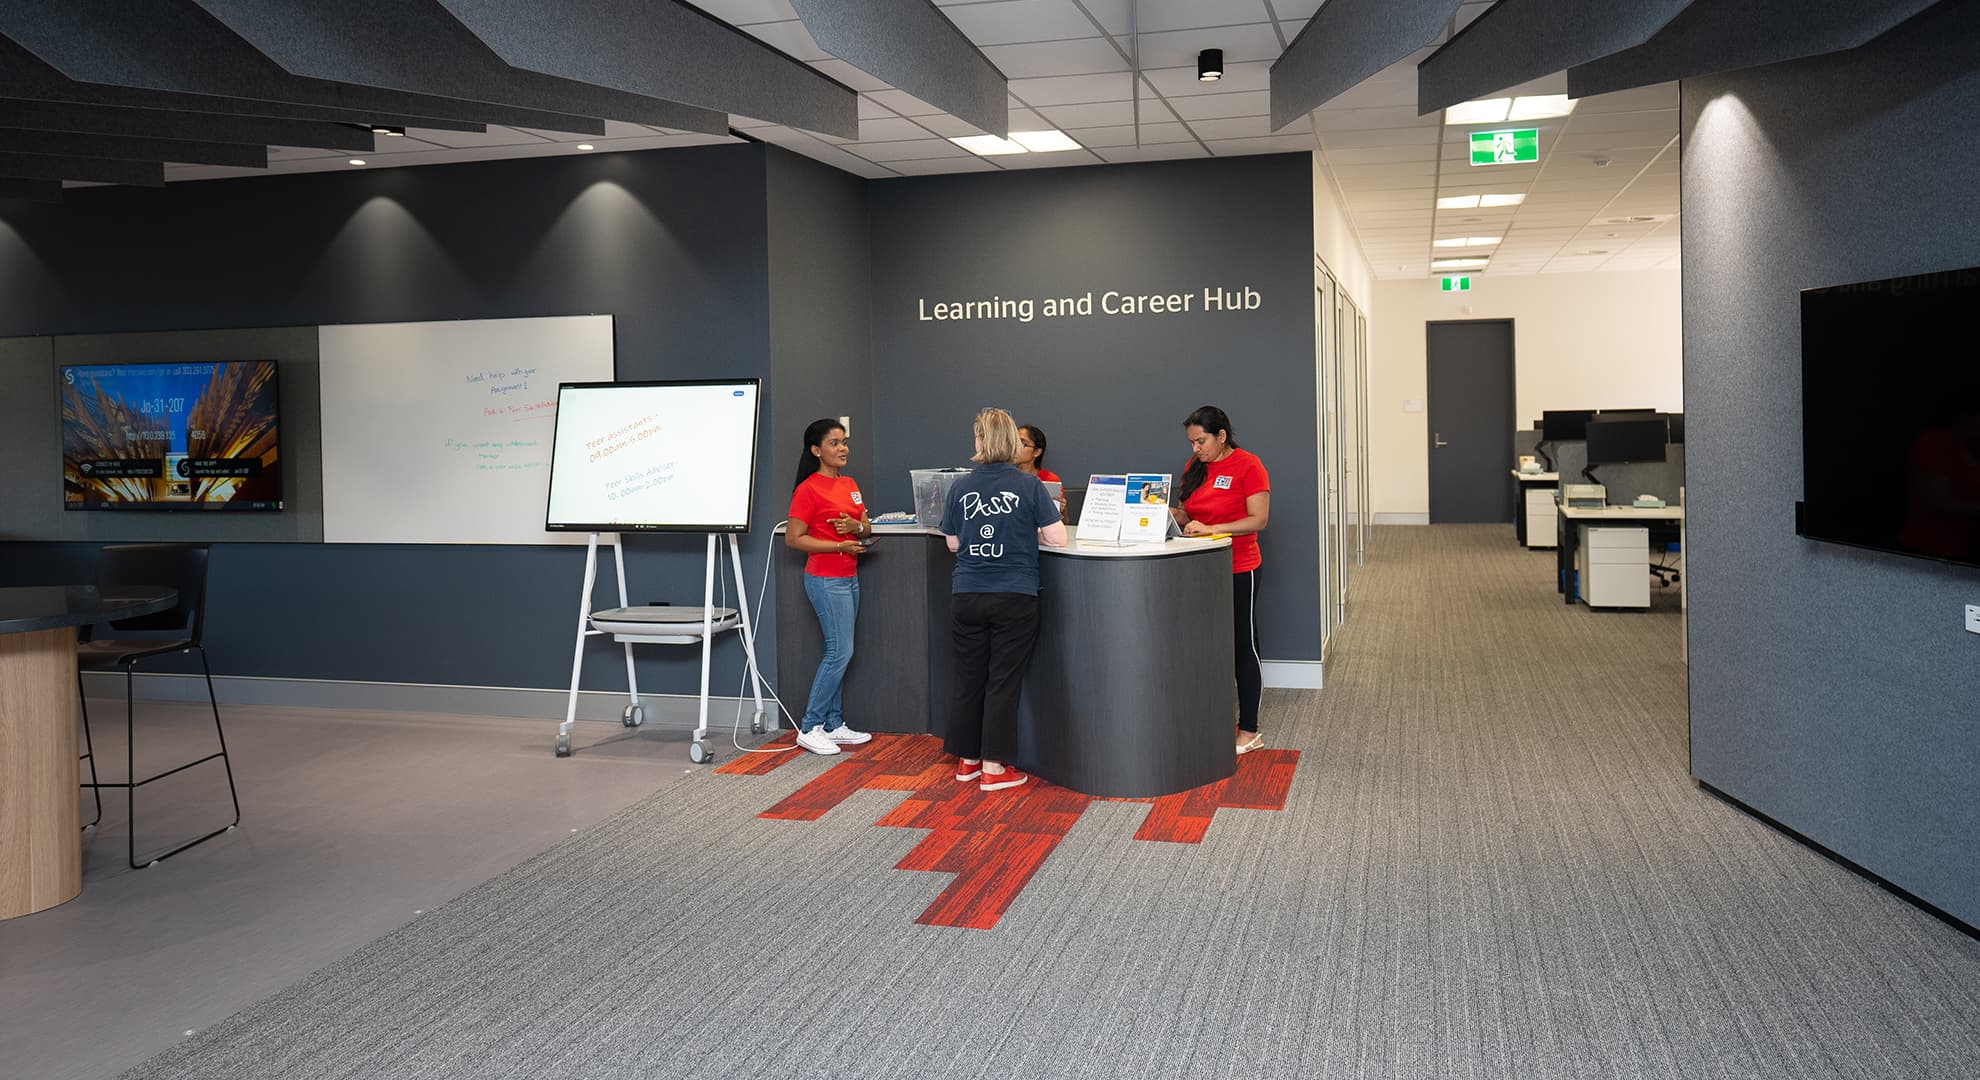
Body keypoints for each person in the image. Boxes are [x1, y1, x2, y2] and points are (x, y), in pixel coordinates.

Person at [940, 408, 1067, 791]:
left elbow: (952, 542)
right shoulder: (1029, 486)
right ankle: (995, 768)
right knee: (1003, 682)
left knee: (969, 678)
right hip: (1014, 594)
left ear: (979, 441)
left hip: (968, 594)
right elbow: (1058, 539)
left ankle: (967, 761)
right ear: (1012, 442)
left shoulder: (960, 488)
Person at [1171, 405, 1271, 755]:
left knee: (1243, 644)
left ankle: (1250, 730)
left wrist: (1213, 528)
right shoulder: (1193, 468)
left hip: (1239, 567)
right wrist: (1169, 513)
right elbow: (1189, 513)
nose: (1195, 449)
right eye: (1191, 443)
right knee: (1206, 646)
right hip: (1199, 569)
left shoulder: (1248, 465)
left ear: (1222, 436)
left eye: (1201, 441)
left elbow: (1258, 519)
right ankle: (1213, 716)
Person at [784, 418, 875, 755]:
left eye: (844, 442)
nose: (843, 449)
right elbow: (794, 539)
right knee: (840, 652)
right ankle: (810, 726)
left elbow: (864, 525)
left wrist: (856, 526)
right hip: (825, 579)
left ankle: (834, 724)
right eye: (835, 443)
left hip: (849, 575)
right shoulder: (808, 489)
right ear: (816, 450)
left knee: (840, 651)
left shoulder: (849, 483)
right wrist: (839, 546)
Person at [1016, 423, 1068, 518]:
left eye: (1022, 443)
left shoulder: (1050, 480)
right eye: (1013, 442)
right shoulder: (1004, 477)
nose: (1015, 447)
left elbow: (1064, 523)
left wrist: (1061, 509)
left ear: (1037, 452)